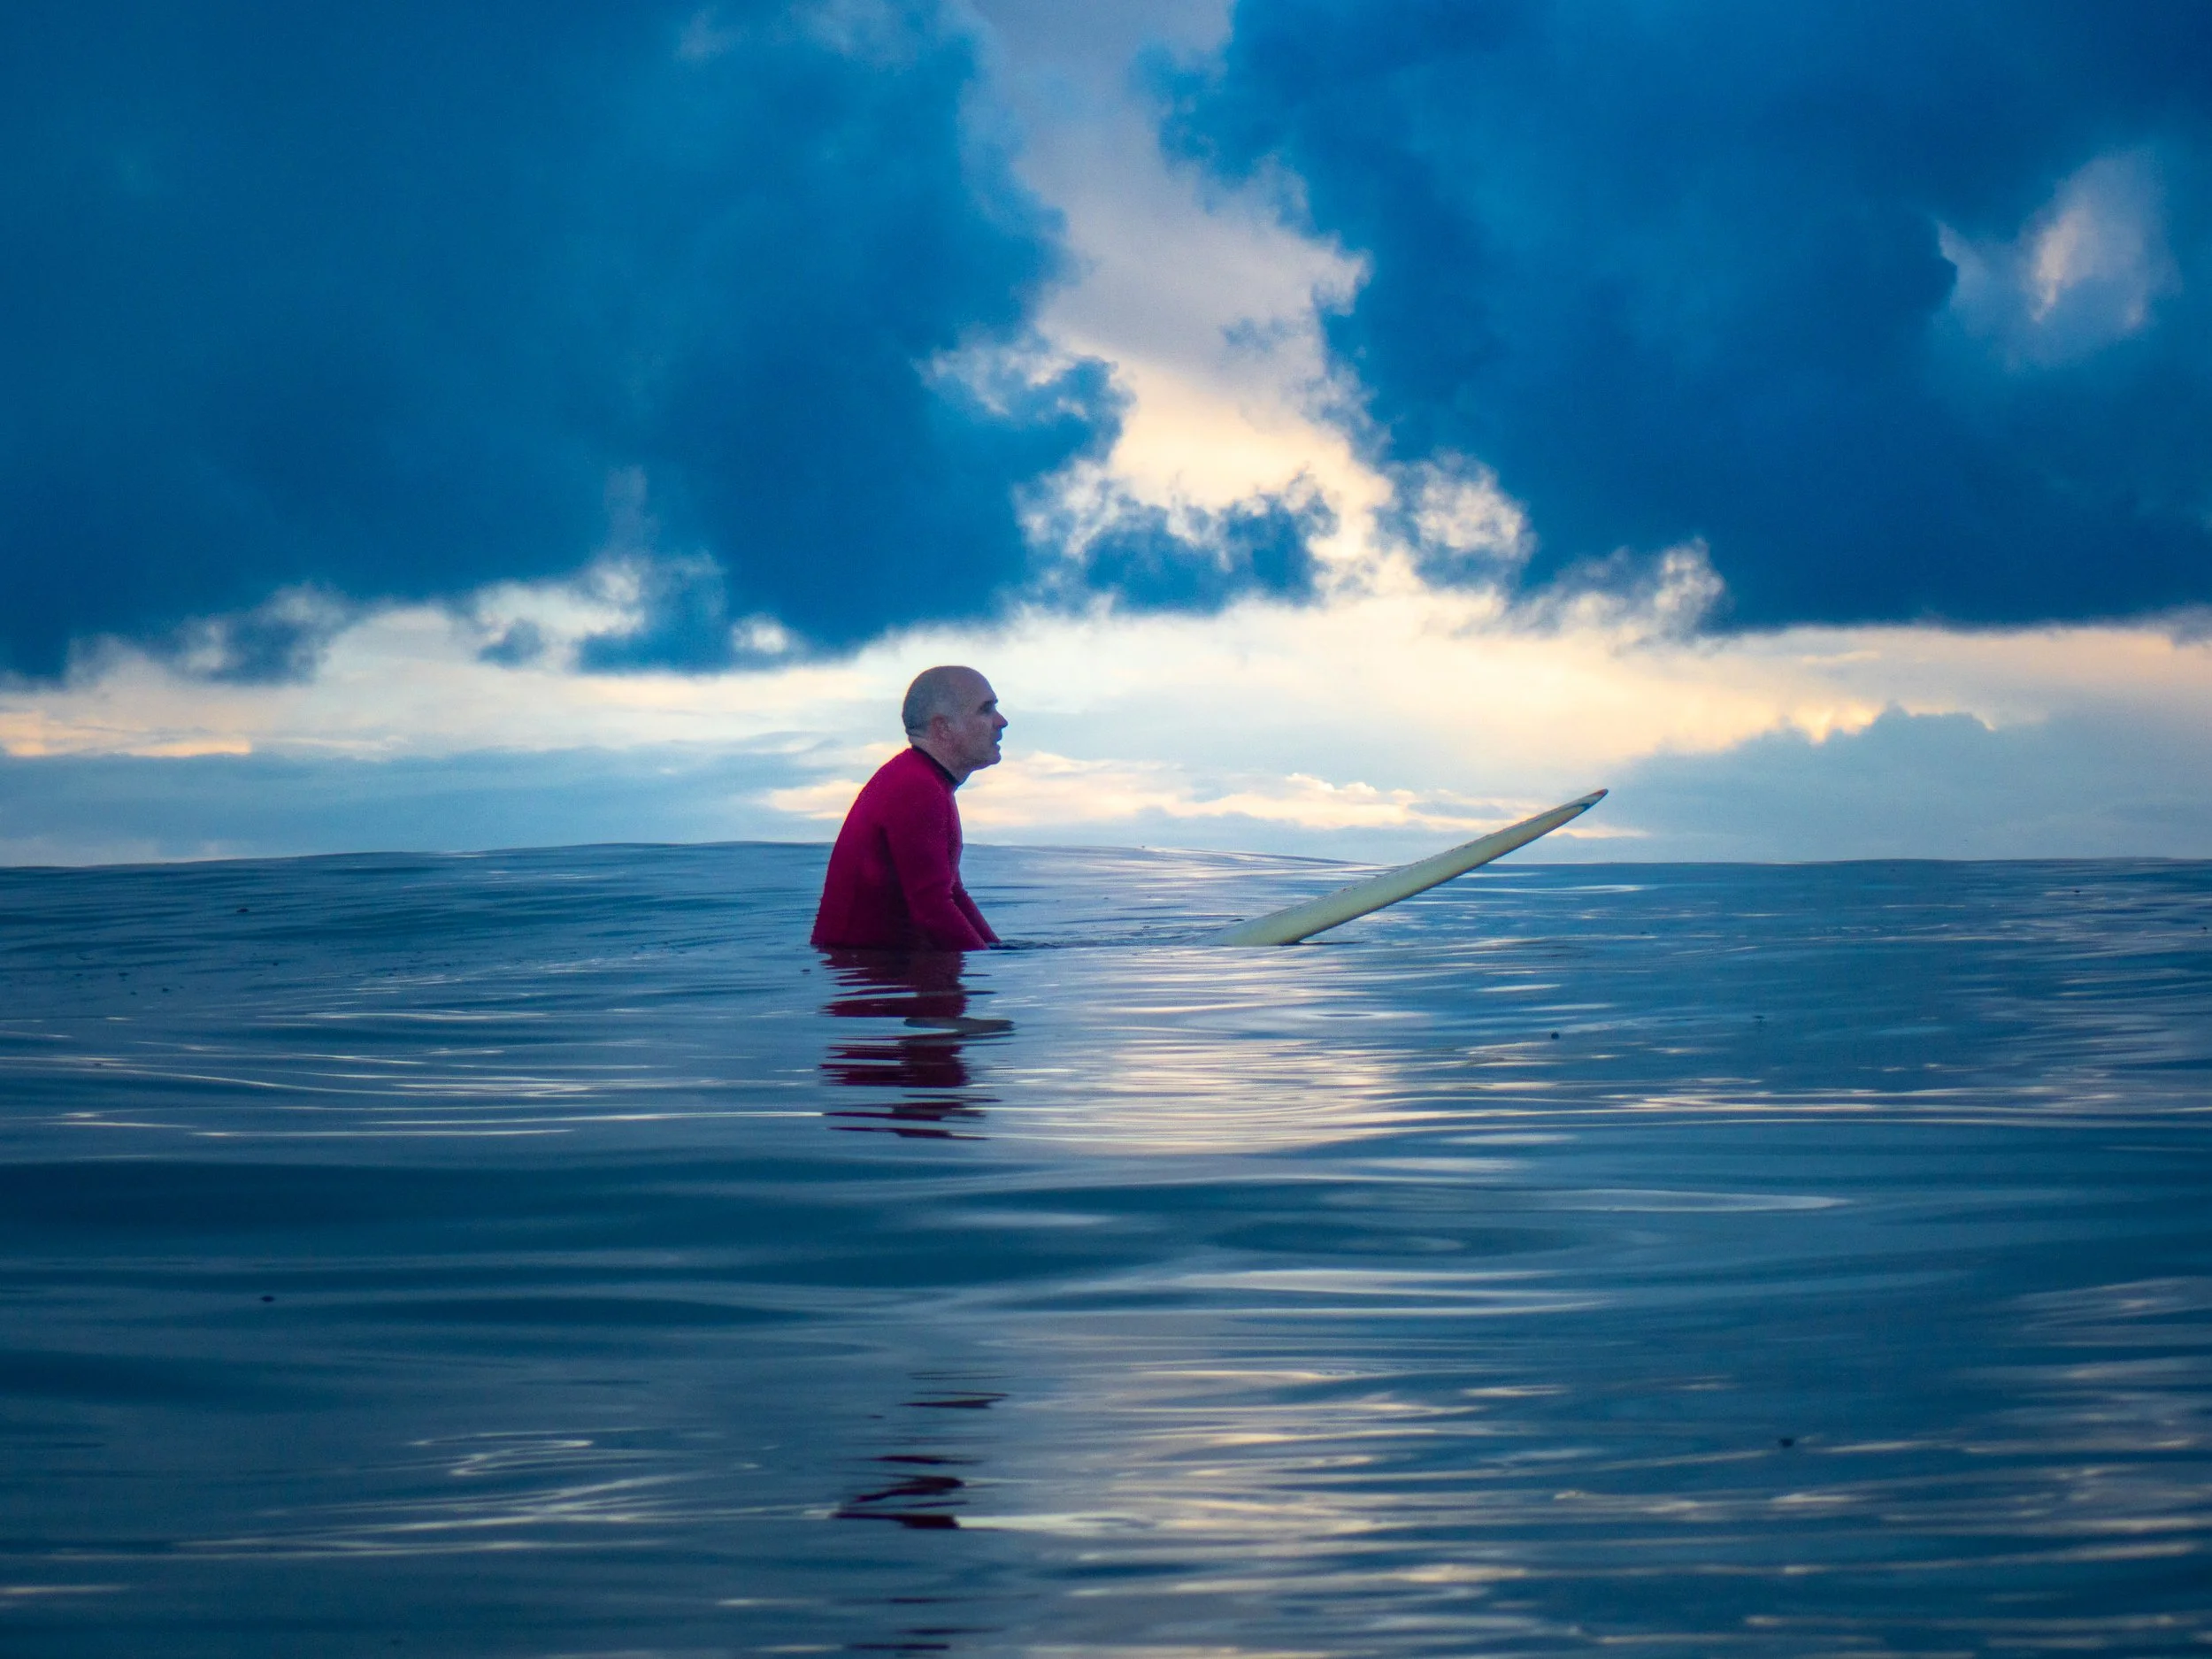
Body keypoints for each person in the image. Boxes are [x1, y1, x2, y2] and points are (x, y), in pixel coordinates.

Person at [810, 665, 1006, 951]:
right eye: (986, 710)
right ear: (943, 728)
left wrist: (997, 952)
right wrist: (996, 967)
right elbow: (932, 909)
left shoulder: (926, 781)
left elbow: (952, 894)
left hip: (873, 975)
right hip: (868, 981)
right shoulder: (917, 788)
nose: (1002, 721)